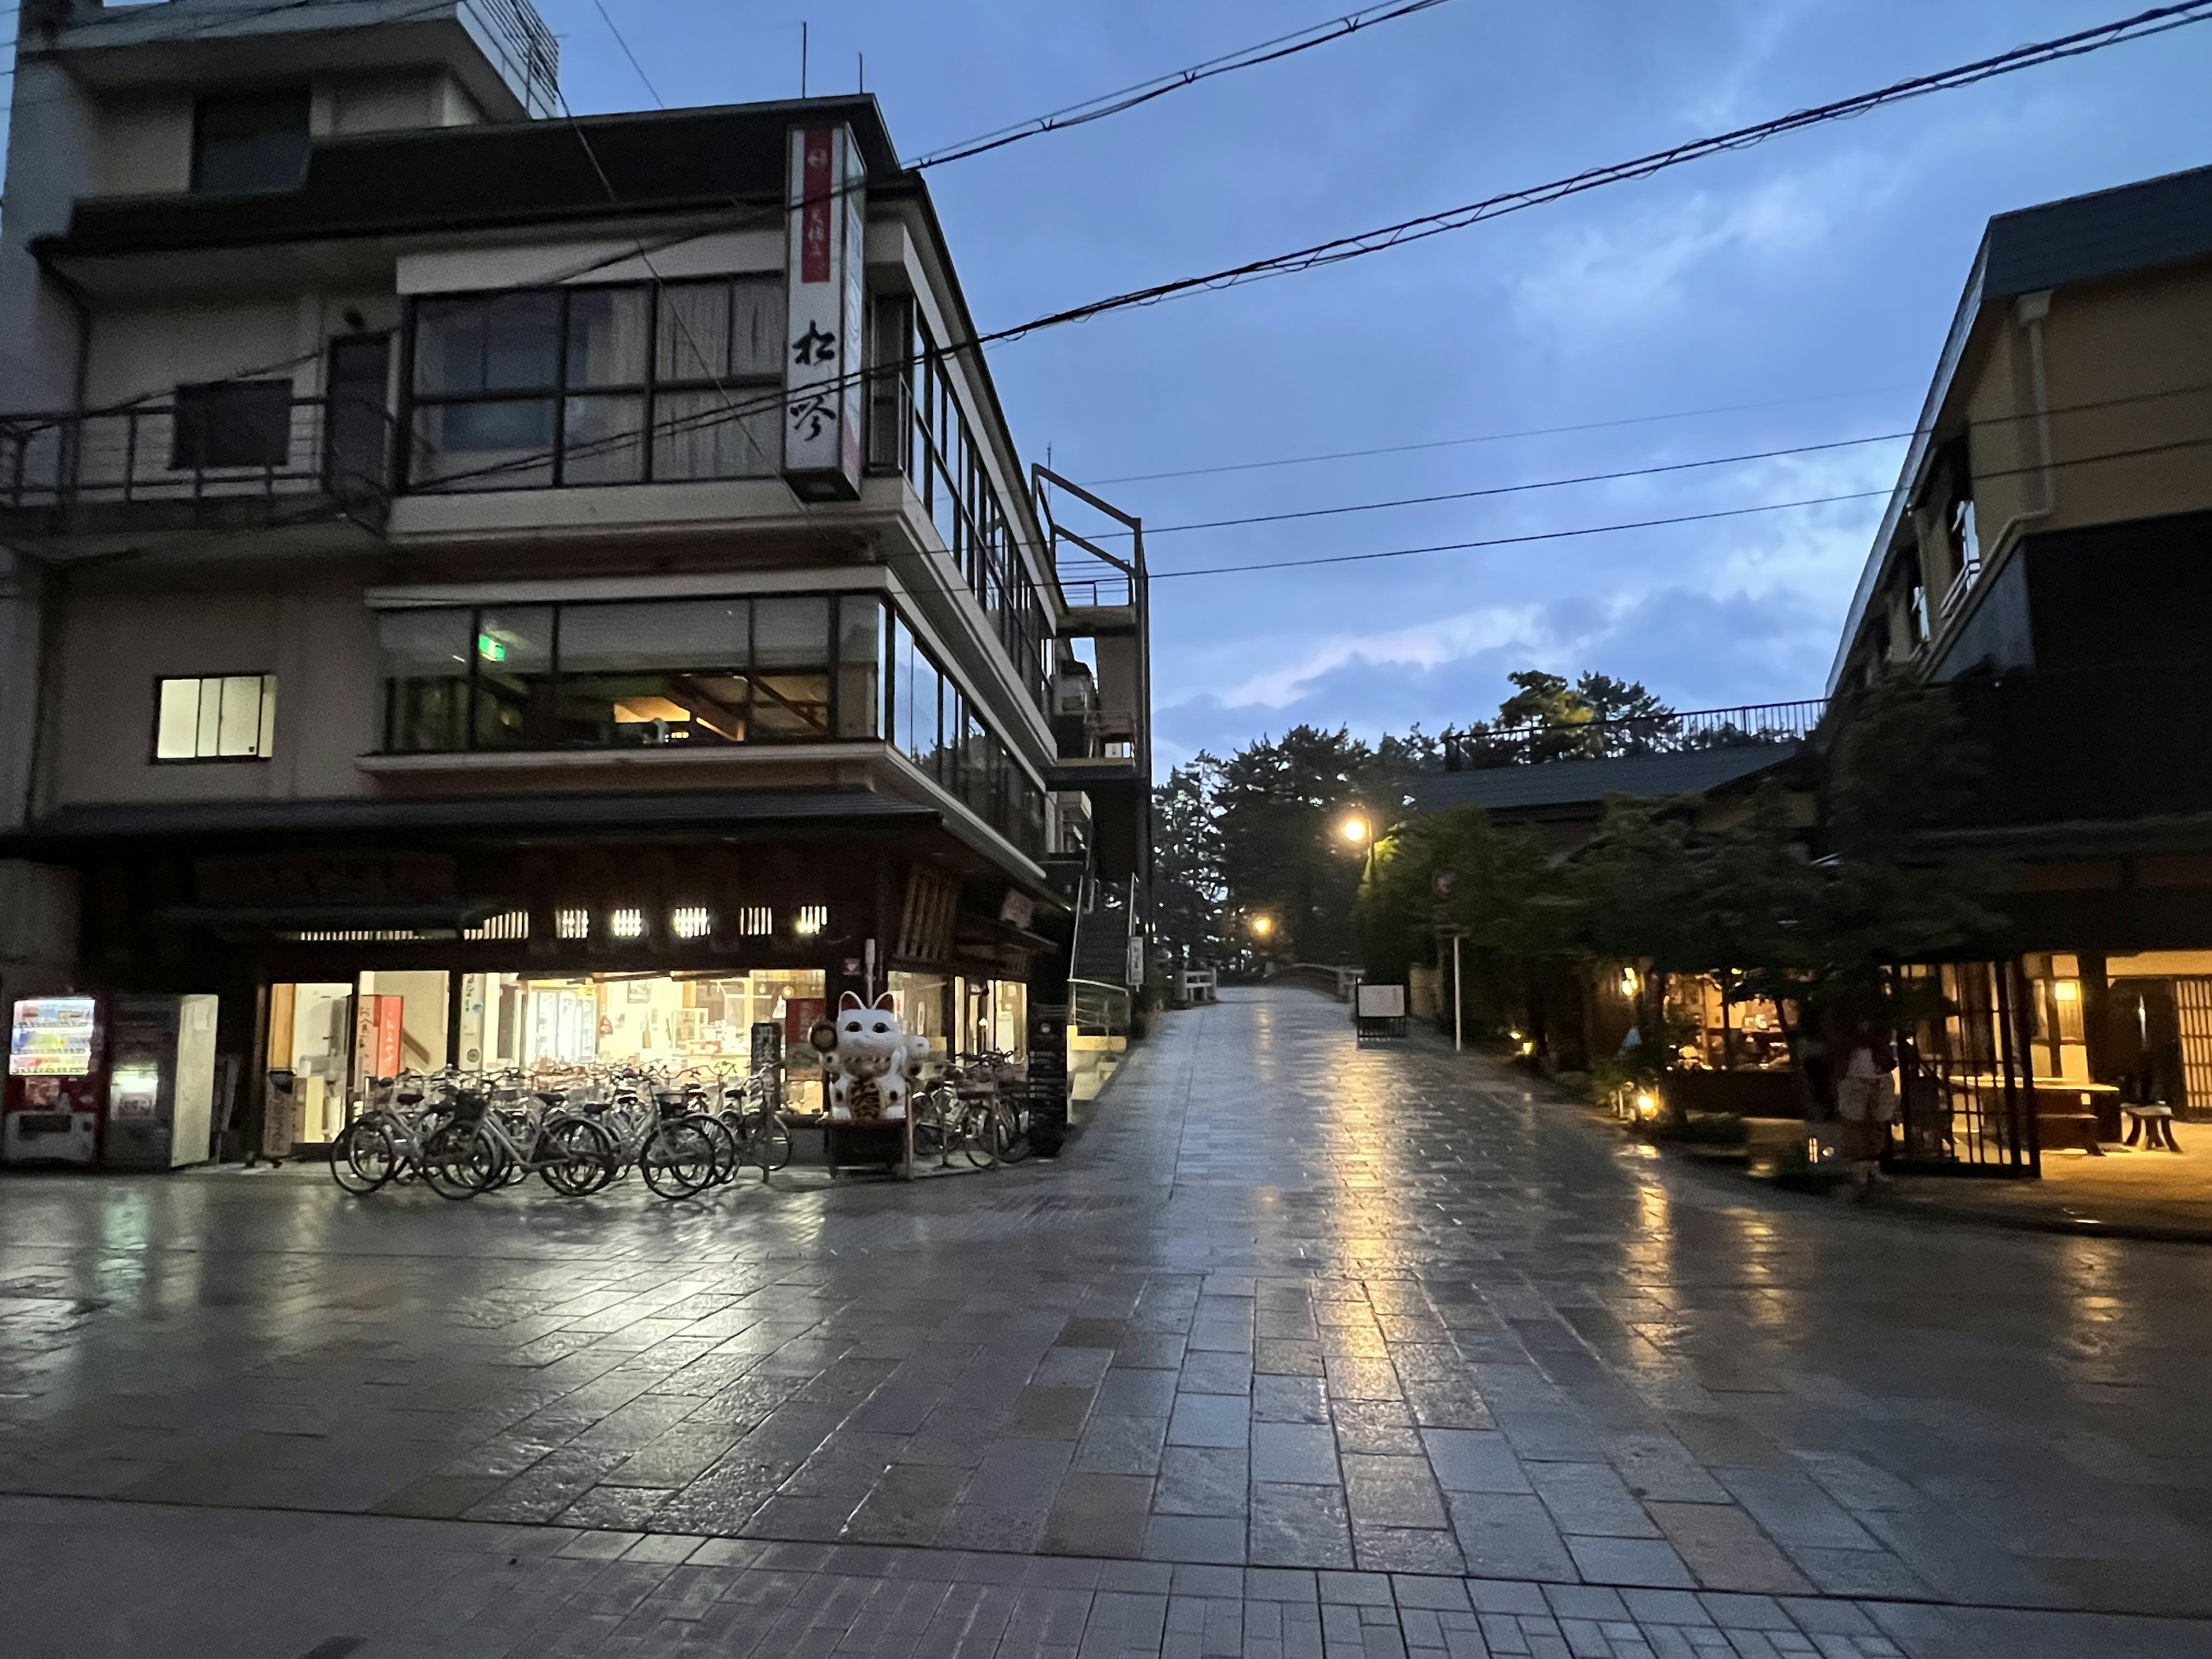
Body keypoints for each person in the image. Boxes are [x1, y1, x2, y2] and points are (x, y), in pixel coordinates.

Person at [1827, 1012, 1897, 1198]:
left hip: (1877, 1073)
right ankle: (1861, 1165)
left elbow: (1883, 1038)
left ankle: (1871, 1164)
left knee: (1878, 1121)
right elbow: (1839, 1041)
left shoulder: (1880, 1020)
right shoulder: (1842, 1020)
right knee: (1855, 1120)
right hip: (1854, 1074)